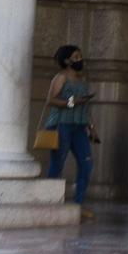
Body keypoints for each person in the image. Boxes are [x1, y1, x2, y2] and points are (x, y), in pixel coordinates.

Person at [42, 44, 96, 218]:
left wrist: (91, 127)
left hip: (79, 126)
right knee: (58, 163)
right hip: (61, 125)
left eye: (80, 56)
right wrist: (73, 102)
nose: (80, 60)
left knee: (86, 164)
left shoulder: (82, 80)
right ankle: (50, 204)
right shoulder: (61, 78)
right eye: (76, 56)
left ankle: (78, 205)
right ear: (67, 60)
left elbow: (86, 106)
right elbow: (51, 100)